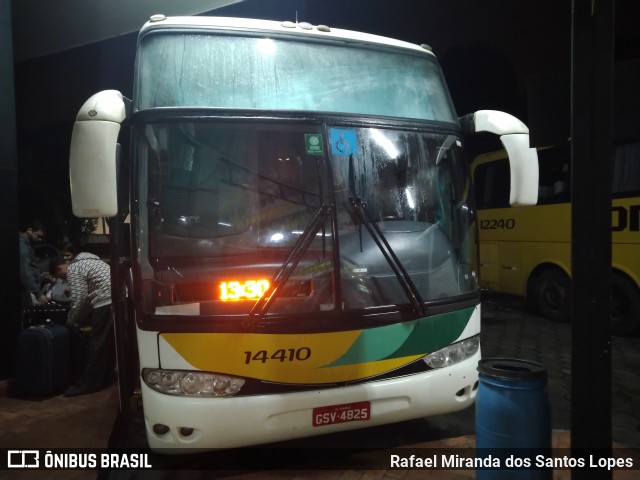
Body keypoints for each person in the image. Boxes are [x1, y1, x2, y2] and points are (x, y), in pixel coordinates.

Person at [50, 252, 115, 397]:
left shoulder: (74, 268)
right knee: (109, 343)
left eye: (61, 277)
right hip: (118, 298)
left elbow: (79, 299)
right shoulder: (90, 260)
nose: (64, 279)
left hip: (105, 300)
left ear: (59, 269)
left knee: (96, 344)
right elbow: (86, 298)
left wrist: (71, 320)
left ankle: (88, 384)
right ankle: (106, 377)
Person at [19, 219, 48, 307]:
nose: (40, 240)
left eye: (42, 238)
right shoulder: (22, 246)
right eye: (38, 236)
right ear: (30, 231)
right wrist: (38, 294)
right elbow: (25, 272)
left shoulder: (27, 245)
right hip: (25, 292)